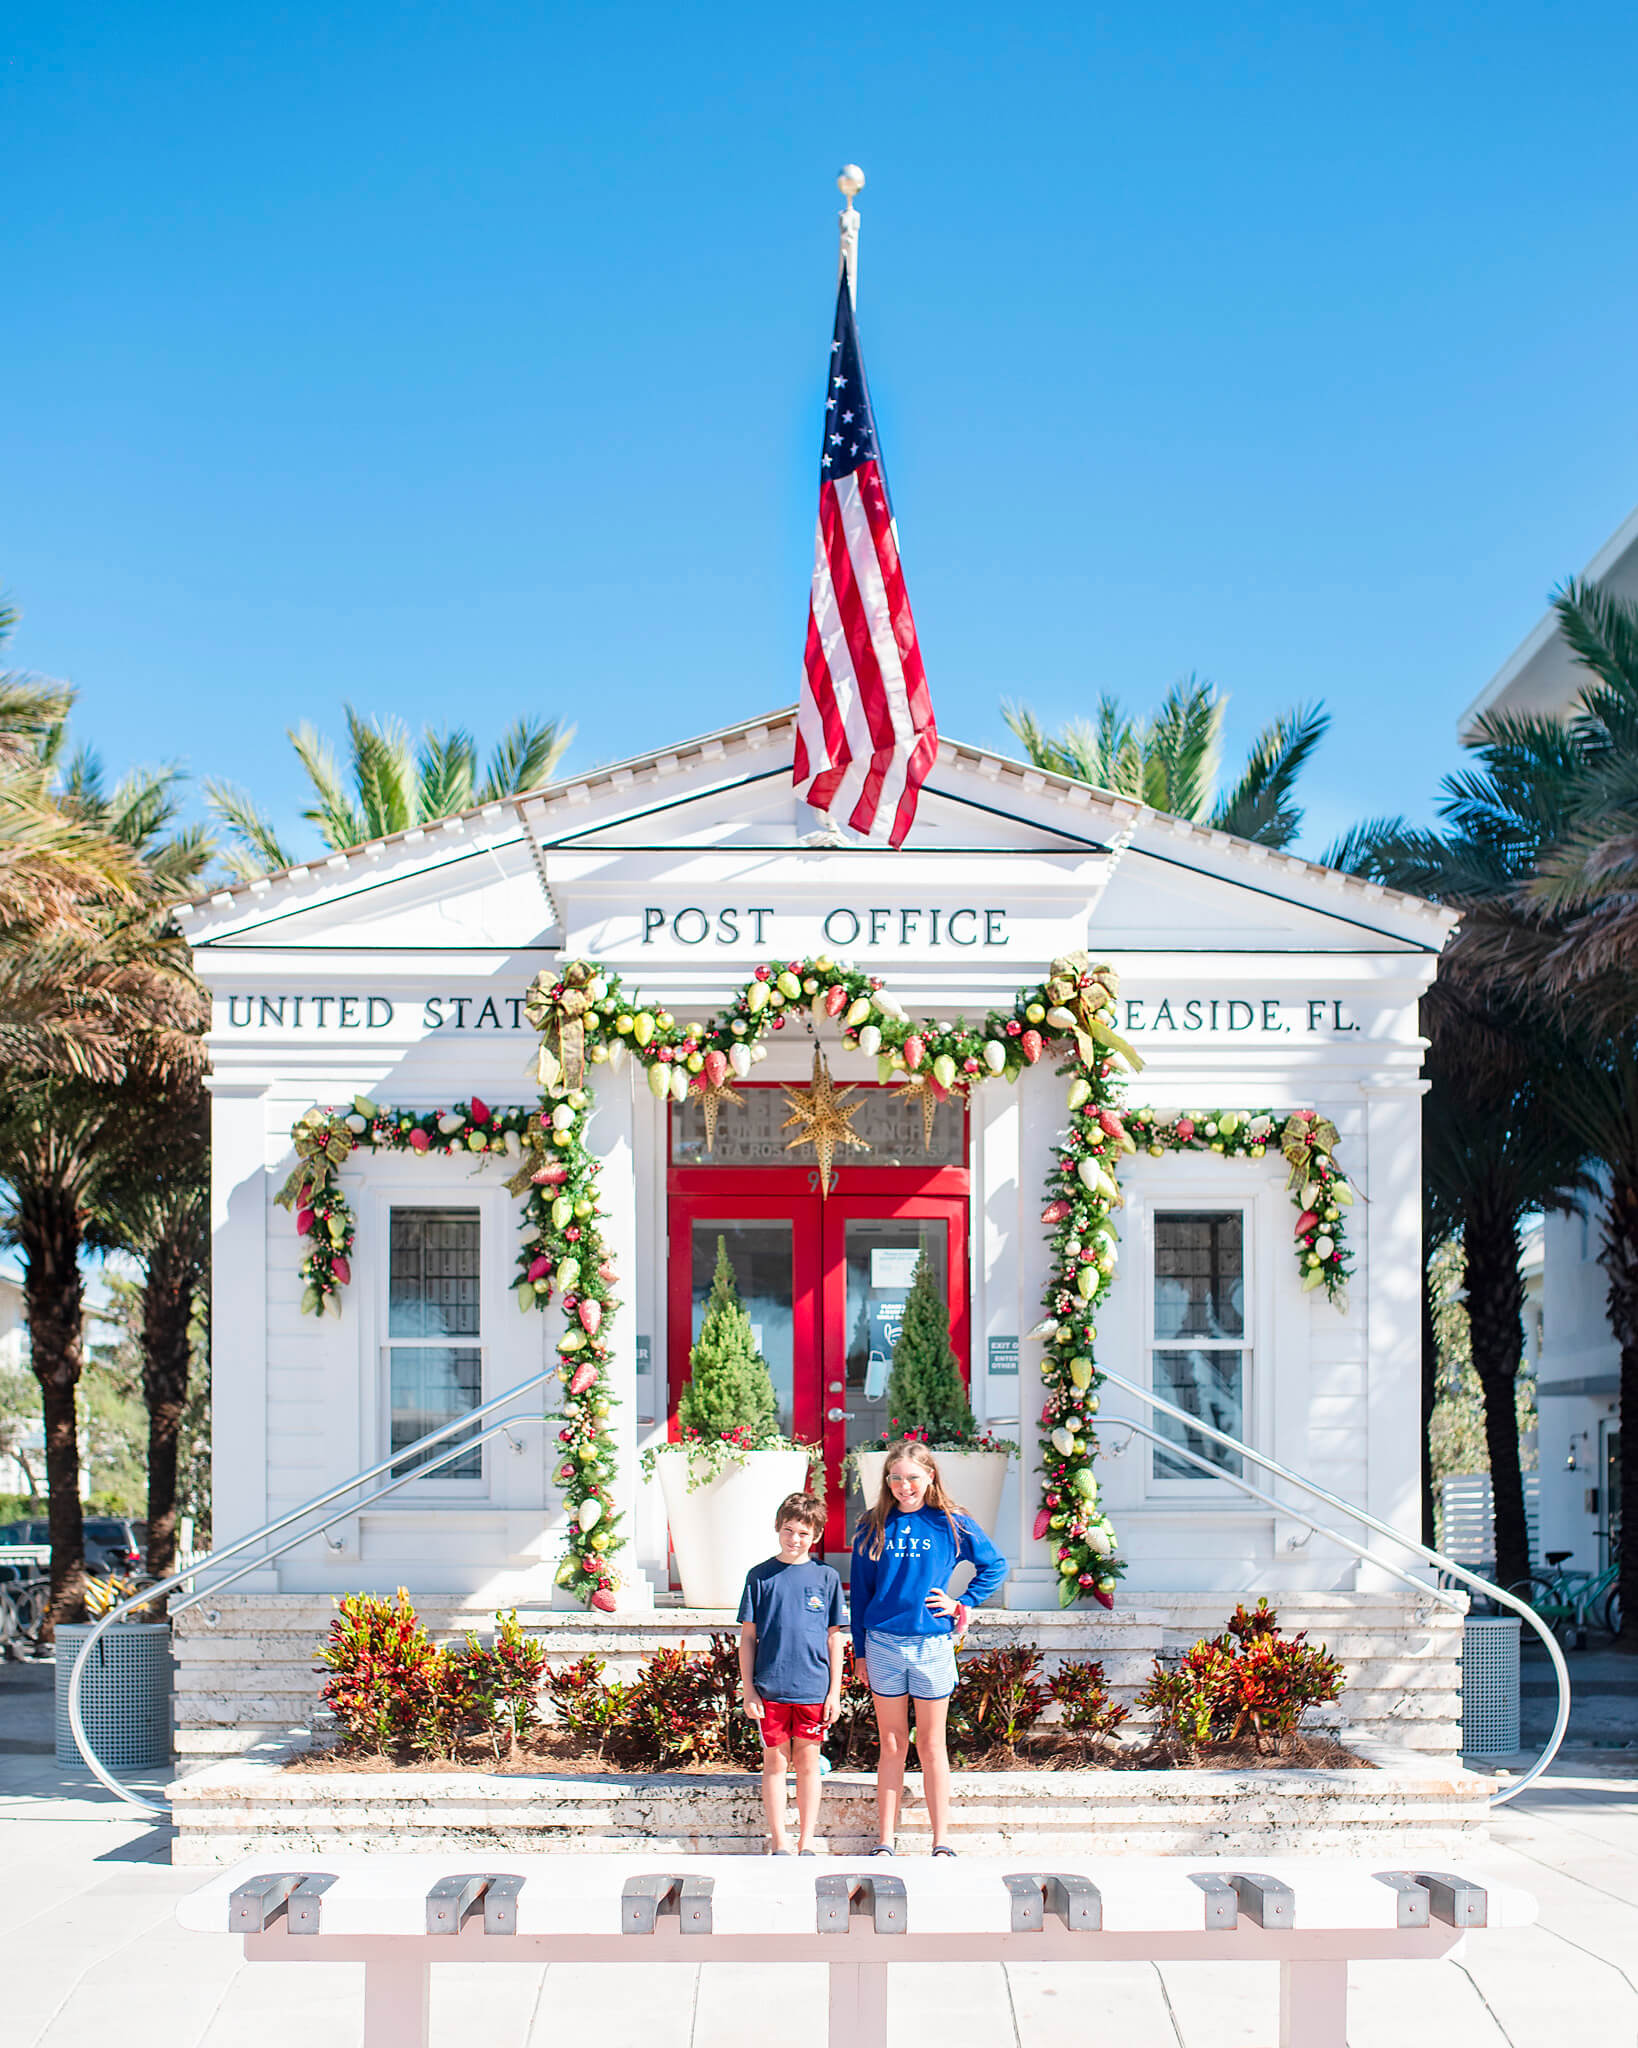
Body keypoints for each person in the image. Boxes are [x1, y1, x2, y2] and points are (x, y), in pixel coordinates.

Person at [850, 1440, 1006, 1858]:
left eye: (913, 1478)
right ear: (887, 1481)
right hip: (882, 1644)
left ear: (930, 1476)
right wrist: (860, 1651)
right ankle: (885, 1841)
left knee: (932, 1744)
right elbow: (861, 1596)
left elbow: (995, 1566)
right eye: (896, 1479)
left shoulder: (952, 1522)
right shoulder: (872, 1526)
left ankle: (942, 1841)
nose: (905, 1486)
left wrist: (963, 1603)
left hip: (931, 1646)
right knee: (893, 1743)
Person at [737, 1490, 846, 1855]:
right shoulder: (761, 1577)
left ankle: (806, 1840)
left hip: (813, 1689)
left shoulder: (826, 1578)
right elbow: (748, 1638)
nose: (795, 1539)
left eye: (803, 1533)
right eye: (788, 1530)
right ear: (778, 1529)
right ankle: (780, 1840)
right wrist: (749, 1689)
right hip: (771, 1688)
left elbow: (835, 1640)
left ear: (816, 1535)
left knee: (809, 1763)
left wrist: (834, 1692)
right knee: (775, 1762)